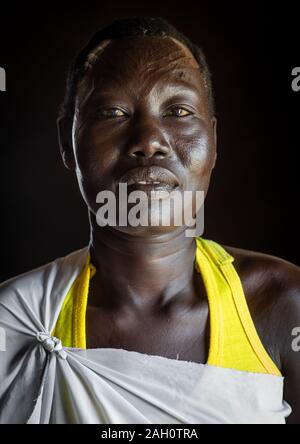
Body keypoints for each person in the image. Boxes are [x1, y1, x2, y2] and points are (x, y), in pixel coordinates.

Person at [0, 16, 299, 424]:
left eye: (177, 110)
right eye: (113, 112)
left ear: (213, 141)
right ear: (66, 144)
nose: (148, 140)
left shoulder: (283, 305)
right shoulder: (14, 320)